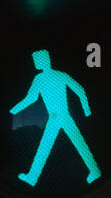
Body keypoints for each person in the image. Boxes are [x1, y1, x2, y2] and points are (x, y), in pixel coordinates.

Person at [9, 49, 101, 186]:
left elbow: (79, 90)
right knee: (69, 144)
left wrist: (87, 111)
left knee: (50, 146)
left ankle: (33, 177)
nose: (35, 62)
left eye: (37, 60)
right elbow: (31, 98)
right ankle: (94, 170)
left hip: (60, 116)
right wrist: (14, 110)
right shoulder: (51, 77)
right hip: (58, 117)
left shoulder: (45, 78)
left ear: (43, 61)